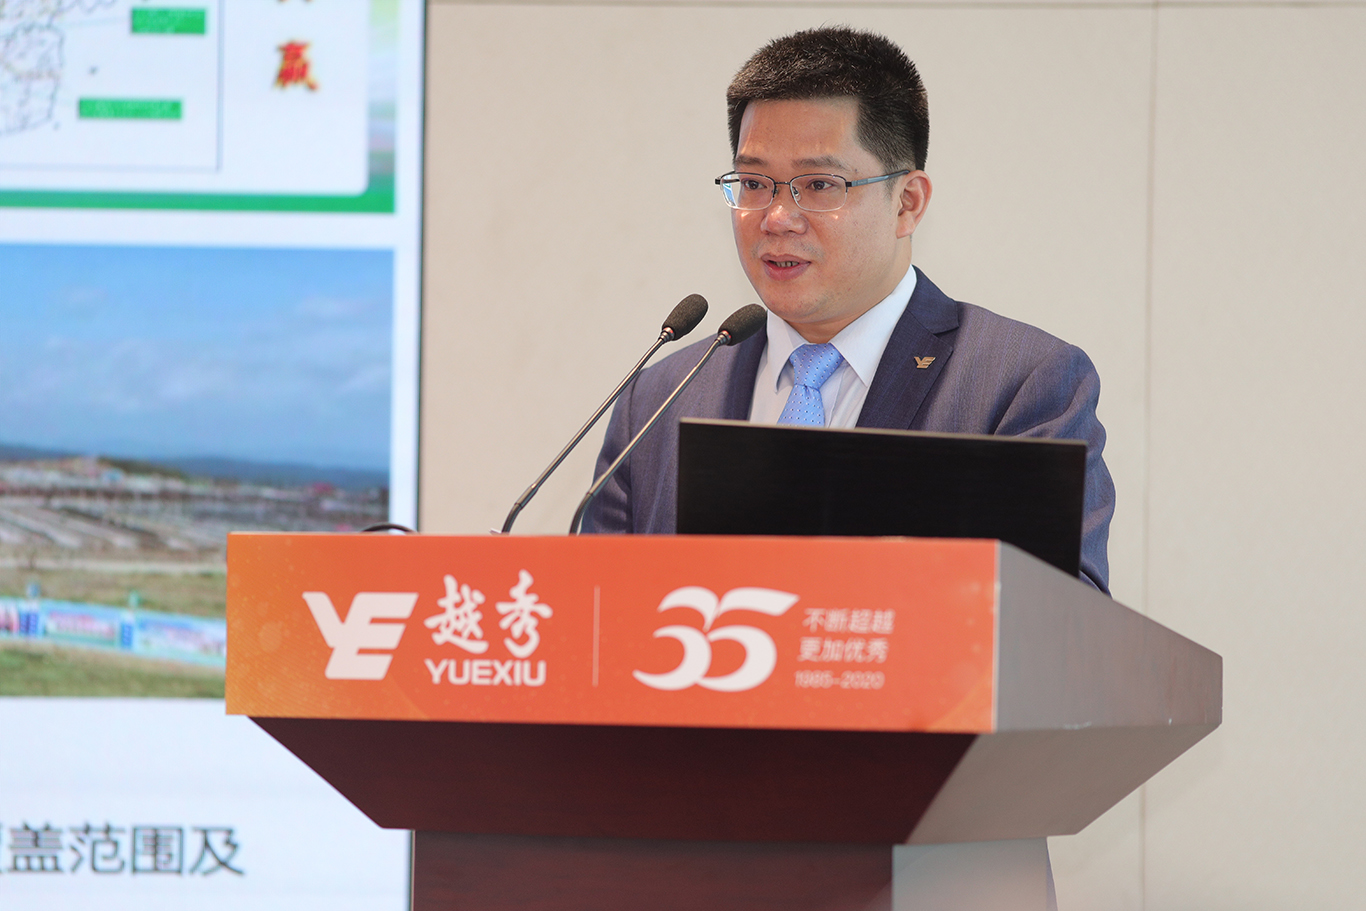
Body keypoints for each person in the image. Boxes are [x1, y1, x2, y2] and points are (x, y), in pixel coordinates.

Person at [582, 26, 1115, 592]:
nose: (777, 217)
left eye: (818, 184)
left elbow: (1058, 622)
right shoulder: (660, 398)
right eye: (755, 182)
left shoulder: (1018, 386)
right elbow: (592, 609)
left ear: (907, 203)